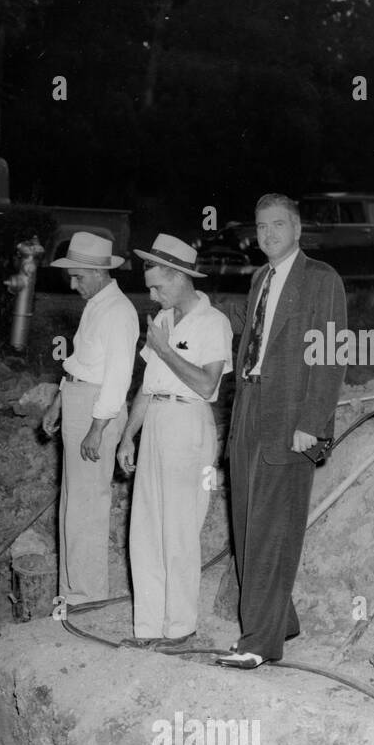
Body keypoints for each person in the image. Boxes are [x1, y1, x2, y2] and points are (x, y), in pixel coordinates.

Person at [215, 194, 347, 669]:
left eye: (277, 225)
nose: (267, 234)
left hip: (291, 420)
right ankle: (281, 618)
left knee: (273, 531)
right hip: (250, 410)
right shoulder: (260, 278)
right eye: (260, 226)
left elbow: (331, 355)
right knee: (247, 524)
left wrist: (311, 426)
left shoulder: (320, 279)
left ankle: (259, 643)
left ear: (296, 229)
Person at [117, 235, 232, 648]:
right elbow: (147, 388)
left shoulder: (214, 323)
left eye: (158, 287)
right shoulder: (162, 321)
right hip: (156, 424)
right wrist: (128, 435)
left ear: (181, 278)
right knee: (145, 528)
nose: (151, 294)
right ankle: (149, 629)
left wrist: (165, 351)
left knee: (180, 529)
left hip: (190, 424)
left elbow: (206, 382)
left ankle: (180, 630)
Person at [40, 232, 136, 606]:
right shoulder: (97, 304)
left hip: (99, 409)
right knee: (73, 503)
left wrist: (97, 428)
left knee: (87, 506)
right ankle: (72, 592)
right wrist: (59, 401)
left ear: (99, 272)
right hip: (81, 401)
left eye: (78, 276)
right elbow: (81, 363)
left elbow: (117, 378)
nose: (73, 284)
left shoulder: (118, 312)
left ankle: (87, 597)